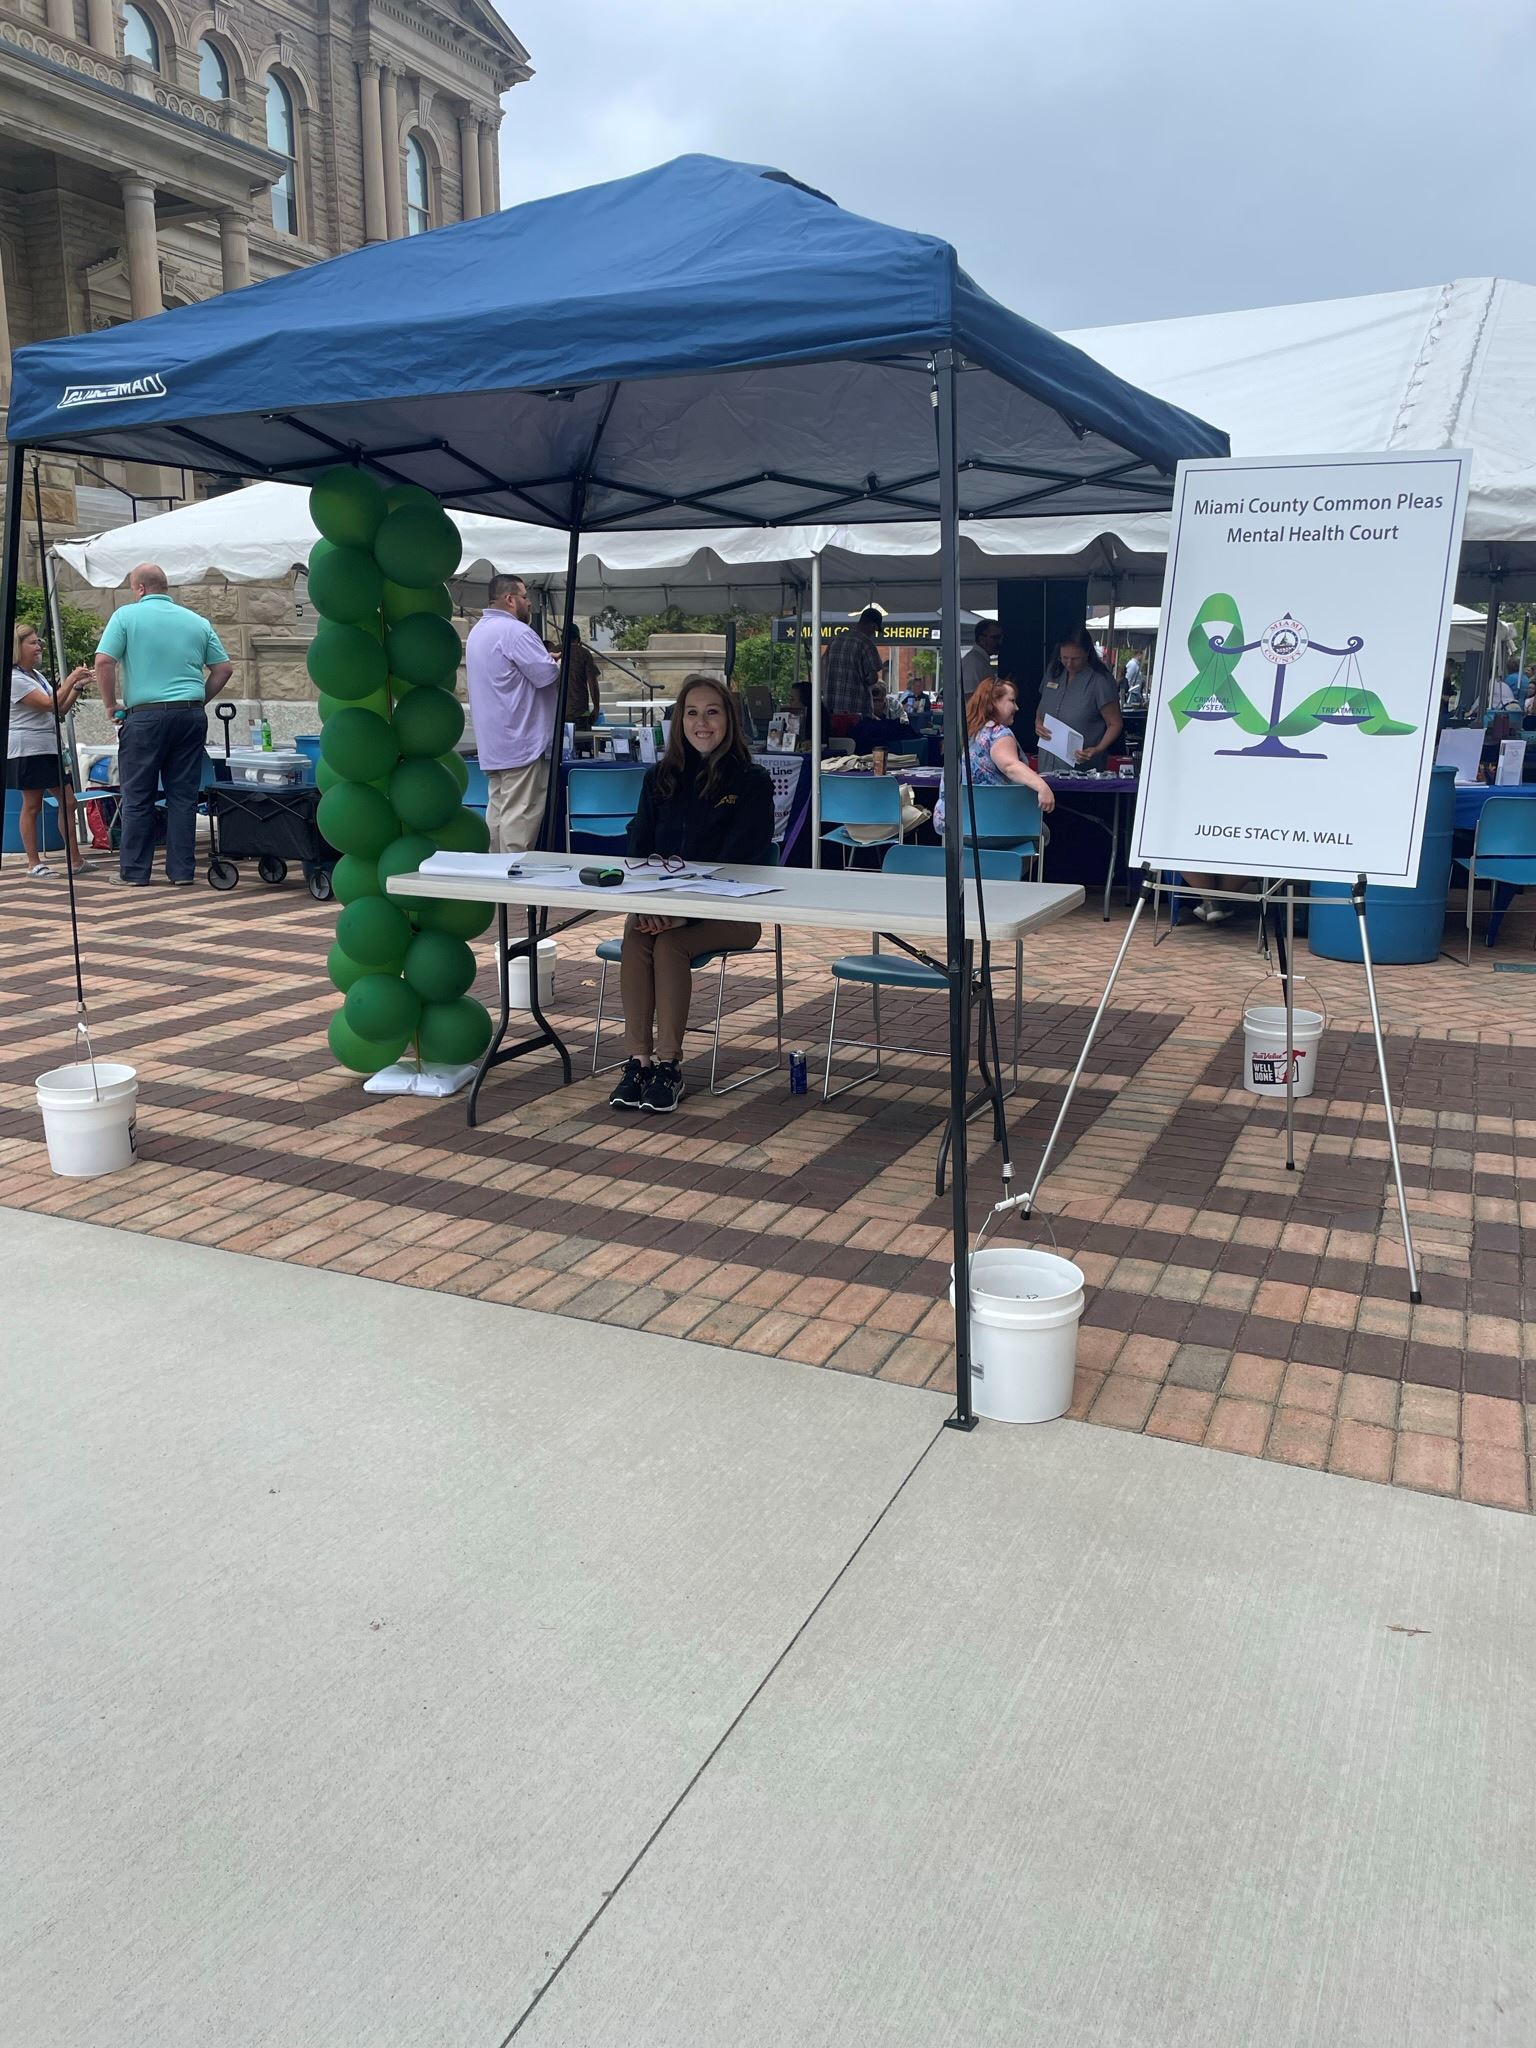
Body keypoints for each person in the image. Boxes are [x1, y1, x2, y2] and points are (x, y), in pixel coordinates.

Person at [609, 673, 775, 1115]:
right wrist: (649, 906)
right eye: (692, 713)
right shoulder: (659, 777)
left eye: (712, 712)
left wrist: (685, 915)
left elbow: (741, 859)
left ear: (730, 720)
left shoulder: (752, 781)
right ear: (679, 721)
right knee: (636, 938)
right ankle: (638, 1062)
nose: (702, 723)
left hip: (731, 912)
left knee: (669, 945)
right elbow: (637, 848)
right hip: (662, 908)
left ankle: (669, 1066)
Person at [94, 564, 232, 887]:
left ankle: (134, 872)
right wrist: (198, 700)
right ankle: (182, 872)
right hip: (190, 716)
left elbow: (103, 661)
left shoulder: (125, 616)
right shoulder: (197, 621)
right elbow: (223, 669)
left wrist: (110, 705)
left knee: (138, 795)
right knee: (183, 796)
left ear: (140, 588)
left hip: (145, 717)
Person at [465, 573, 560, 853]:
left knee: (497, 815)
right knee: (520, 818)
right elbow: (545, 676)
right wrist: (558, 663)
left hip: (494, 742)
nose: (529, 603)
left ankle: (496, 877)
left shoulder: (478, 632)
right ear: (509, 599)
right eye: (525, 596)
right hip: (522, 740)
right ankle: (514, 877)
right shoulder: (516, 631)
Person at [9, 622, 91, 879]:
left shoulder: (36, 676)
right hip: (28, 749)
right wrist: (70, 679)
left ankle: (75, 860)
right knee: (32, 805)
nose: (39, 647)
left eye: (39, 642)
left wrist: (76, 687)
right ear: (18, 647)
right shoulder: (14, 678)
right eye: (33, 643)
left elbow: (59, 708)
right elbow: (47, 703)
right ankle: (33, 863)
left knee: (68, 802)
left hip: (48, 748)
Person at [933, 677, 1056, 834]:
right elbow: (1010, 766)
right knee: (1042, 832)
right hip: (992, 826)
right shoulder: (998, 733)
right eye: (1012, 701)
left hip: (953, 826)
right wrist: (1042, 787)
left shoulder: (963, 732)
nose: (1017, 707)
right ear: (993, 702)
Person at [1034, 625, 1124, 770]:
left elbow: (1115, 723)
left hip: (1081, 768)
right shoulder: (1053, 671)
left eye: (1075, 658)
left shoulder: (1100, 680)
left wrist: (1098, 749)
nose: (1069, 663)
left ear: (1087, 653)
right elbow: (1041, 708)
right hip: (1046, 764)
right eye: (1064, 658)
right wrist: (1038, 723)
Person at [824, 609, 882, 723]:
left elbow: (823, 666)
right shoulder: (866, 644)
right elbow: (872, 677)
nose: (873, 633)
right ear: (873, 626)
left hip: (831, 707)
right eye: (875, 630)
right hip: (856, 709)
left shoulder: (835, 640)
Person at [564, 623, 603, 729]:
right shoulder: (584, 654)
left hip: (557, 710)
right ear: (579, 639)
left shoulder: (554, 652)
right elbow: (593, 683)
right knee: (582, 737)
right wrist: (596, 707)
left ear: (563, 638)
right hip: (580, 711)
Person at [960, 618, 1003, 697]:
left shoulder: (979, 660)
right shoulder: (973, 662)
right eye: (995, 637)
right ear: (981, 638)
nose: (1000, 642)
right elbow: (969, 696)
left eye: (1000, 638)